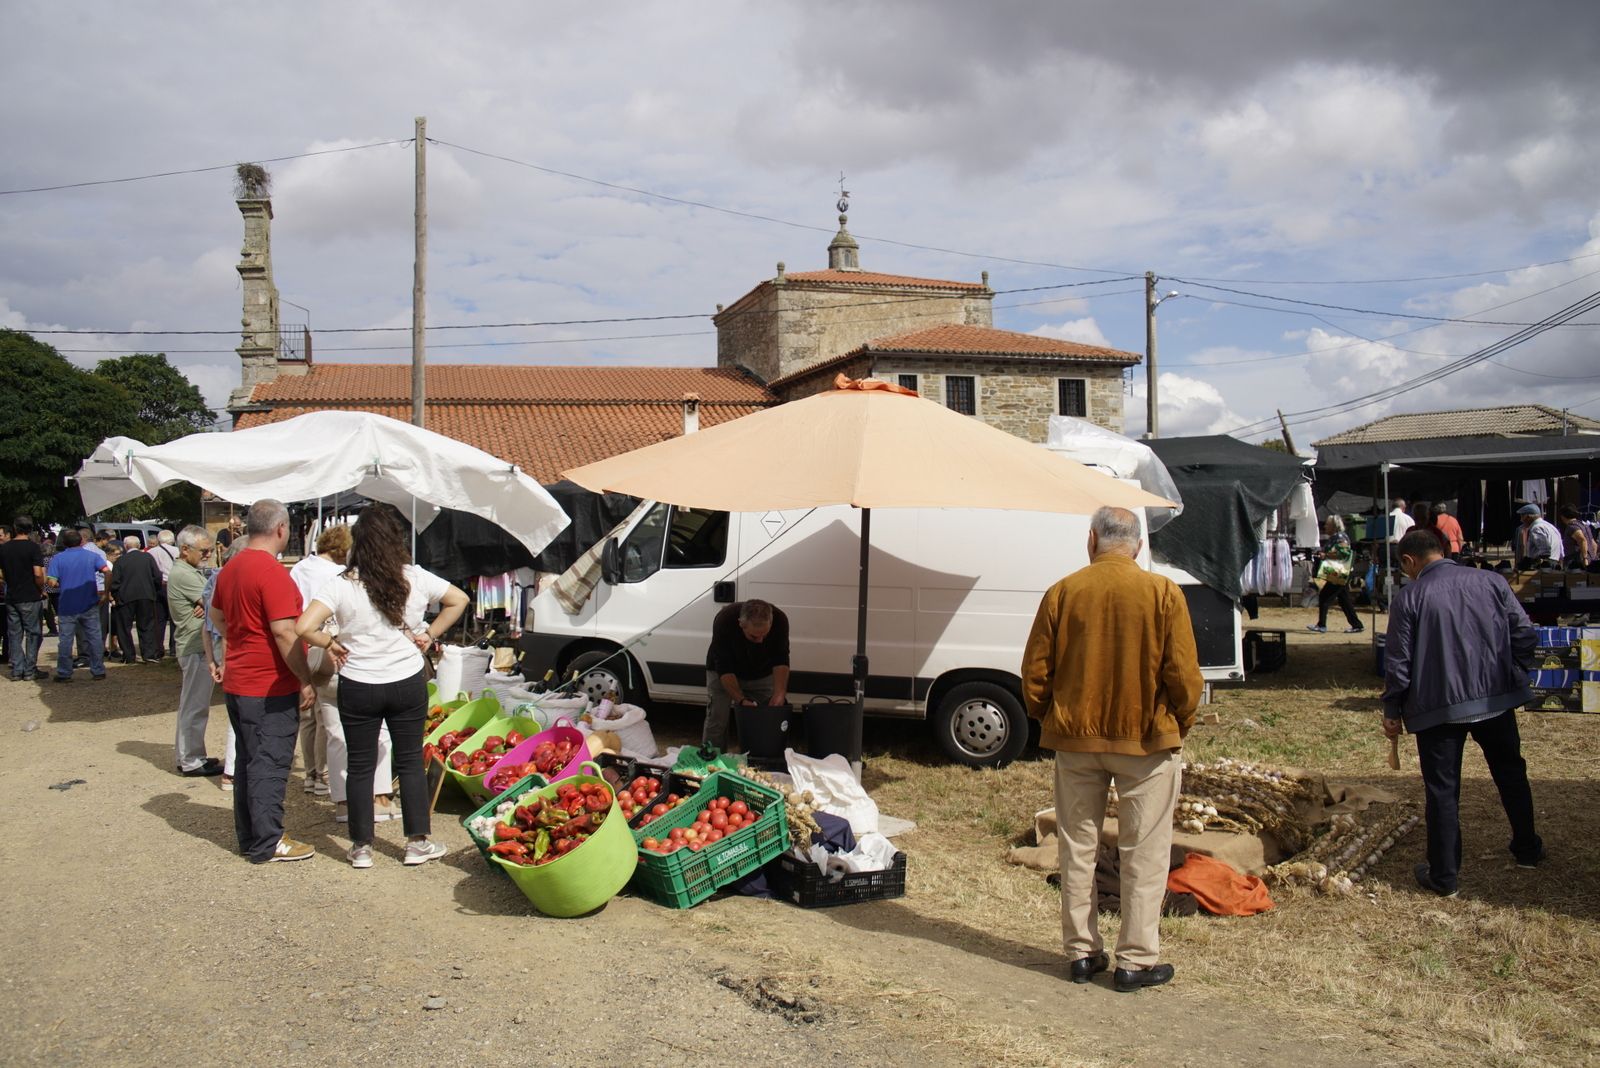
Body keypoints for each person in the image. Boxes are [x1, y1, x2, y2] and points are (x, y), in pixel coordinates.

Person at [1021, 506, 1203, 993]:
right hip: (1145, 741)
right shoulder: (1163, 592)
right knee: (1143, 851)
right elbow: (1184, 676)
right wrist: (1178, 722)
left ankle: (1082, 952)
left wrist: (1049, 717)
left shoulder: (1063, 592)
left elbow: (1035, 673)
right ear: (1139, 546)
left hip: (1075, 740)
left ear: (1091, 541)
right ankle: (1135, 961)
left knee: (1077, 848)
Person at [295, 502, 467, 868]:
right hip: (406, 681)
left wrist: (330, 642)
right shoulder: (414, 577)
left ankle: (360, 847)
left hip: (358, 682)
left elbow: (303, 626)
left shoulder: (341, 584)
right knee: (408, 762)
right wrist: (429, 634)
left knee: (359, 765)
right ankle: (417, 842)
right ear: (396, 541)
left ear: (357, 543)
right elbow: (459, 599)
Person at [1381, 529, 1543, 897]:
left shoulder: (1410, 598)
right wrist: (1513, 670)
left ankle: (1445, 877)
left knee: (1442, 792)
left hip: (1437, 709)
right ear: (1444, 549)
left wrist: (1392, 708)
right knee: (1511, 773)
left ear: (1409, 561)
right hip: (1495, 700)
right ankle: (1528, 849)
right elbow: (1524, 632)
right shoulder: (1491, 581)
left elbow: (1399, 663)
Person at [210, 499, 319, 863]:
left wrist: (241, 639)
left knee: (248, 761)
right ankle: (268, 840)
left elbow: (217, 617)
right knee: (270, 763)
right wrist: (304, 678)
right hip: (269, 684)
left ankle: (252, 837)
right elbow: (285, 632)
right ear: (281, 529)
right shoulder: (272, 573)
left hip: (240, 681)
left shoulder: (231, 568)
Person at [290, 524, 401, 822]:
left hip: (323, 661)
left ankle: (339, 800)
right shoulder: (371, 583)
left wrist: (324, 641)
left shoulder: (302, 570)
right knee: (380, 732)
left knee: (332, 732)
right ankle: (379, 798)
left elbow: (301, 624)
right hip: (363, 665)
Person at [167, 525, 223, 777]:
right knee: (195, 705)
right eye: (204, 550)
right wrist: (209, 604)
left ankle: (189, 755)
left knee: (192, 704)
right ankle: (191, 759)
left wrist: (208, 604)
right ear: (185, 549)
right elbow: (215, 602)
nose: (208, 555)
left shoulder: (187, 571)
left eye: (210, 550)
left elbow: (210, 601)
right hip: (195, 646)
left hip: (194, 644)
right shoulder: (184, 574)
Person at [703, 599, 790, 750]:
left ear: (771, 622)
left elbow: (781, 658)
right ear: (740, 624)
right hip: (723, 671)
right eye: (754, 636)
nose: (760, 641)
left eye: (765, 635)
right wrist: (740, 700)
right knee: (717, 719)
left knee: (767, 719)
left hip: (762, 671)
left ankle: (760, 761)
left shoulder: (780, 620)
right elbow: (724, 667)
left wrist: (779, 693)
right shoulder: (724, 620)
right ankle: (711, 760)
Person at [43, 529, 108, 682]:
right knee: (94, 638)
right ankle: (98, 670)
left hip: (67, 605)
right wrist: (106, 592)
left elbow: (51, 581)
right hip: (89, 603)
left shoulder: (58, 558)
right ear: (81, 541)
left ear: (64, 543)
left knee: (65, 640)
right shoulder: (92, 556)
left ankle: (64, 672)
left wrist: (62, 582)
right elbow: (107, 572)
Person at [2, 515, 46, 681]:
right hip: (30, 595)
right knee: (33, 633)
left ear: (14, 527)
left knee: (14, 633)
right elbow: (38, 573)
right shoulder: (33, 548)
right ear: (30, 528)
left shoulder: (4, 548)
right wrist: (41, 588)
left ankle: (17, 669)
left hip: (11, 595)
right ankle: (30, 669)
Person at [109, 535, 163, 663]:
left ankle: (129, 656)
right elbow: (157, 577)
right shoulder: (148, 557)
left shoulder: (120, 561)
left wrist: (116, 596)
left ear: (125, 546)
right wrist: (153, 591)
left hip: (126, 597)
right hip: (146, 595)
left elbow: (115, 582)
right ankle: (149, 654)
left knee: (124, 628)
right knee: (146, 625)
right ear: (139, 546)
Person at [1307, 515, 1363, 634]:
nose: (1325, 526)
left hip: (1339, 573)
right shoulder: (1335, 537)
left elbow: (1344, 554)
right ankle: (1357, 625)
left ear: (1334, 526)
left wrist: (1326, 555)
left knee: (1324, 597)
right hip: (1338, 573)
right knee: (1344, 600)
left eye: (1328, 524)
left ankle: (1321, 625)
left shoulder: (1340, 538)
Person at [149, 529, 180, 657]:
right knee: (174, 618)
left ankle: (158, 648)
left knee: (159, 619)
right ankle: (173, 648)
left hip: (158, 586)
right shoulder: (177, 551)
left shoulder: (151, 552)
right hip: (174, 585)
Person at [1513, 504, 1562, 570]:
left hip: (1544, 566)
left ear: (1528, 517)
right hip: (1554, 563)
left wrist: (1531, 562)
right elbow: (1561, 551)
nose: (1521, 520)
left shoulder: (1536, 528)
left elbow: (1545, 551)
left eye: (1522, 517)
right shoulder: (1551, 526)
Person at [102, 543, 124, 661]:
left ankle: (113, 646)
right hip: (109, 598)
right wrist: (110, 597)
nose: (118, 556)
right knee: (108, 625)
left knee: (113, 625)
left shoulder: (115, 564)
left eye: (120, 554)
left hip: (111, 597)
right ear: (109, 554)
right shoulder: (108, 565)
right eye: (116, 554)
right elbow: (108, 582)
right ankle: (108, 648)